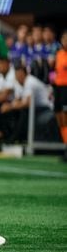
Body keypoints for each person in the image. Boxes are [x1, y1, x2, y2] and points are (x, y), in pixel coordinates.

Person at [53, 30, 67, 161]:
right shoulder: (59, 54)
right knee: (60, 119)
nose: (65, 40)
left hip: (66, 88)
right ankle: (65, 146)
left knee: (65, 118)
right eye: (63, 38)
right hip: (58, 88)